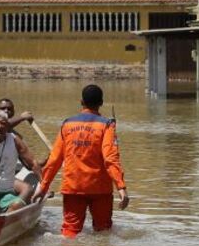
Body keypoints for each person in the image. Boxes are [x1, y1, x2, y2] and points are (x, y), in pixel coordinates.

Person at [33, 84, 129, 238]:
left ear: (81, 102)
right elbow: (111, 159)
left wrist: (43, 187)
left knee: (70, 232)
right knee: (103, 231)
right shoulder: (106, 126)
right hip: (100, 189)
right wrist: (121, 188)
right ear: (101, 103)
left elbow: (54, 160)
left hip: (73, 187)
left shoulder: (67, 124)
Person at [0, 111, 40, 212]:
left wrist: (44, 185)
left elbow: (32, 163)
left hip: (6, 193)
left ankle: (6, 217)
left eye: (3, 123)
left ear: (7, 127)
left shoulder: (14, 140)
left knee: (17, 204)